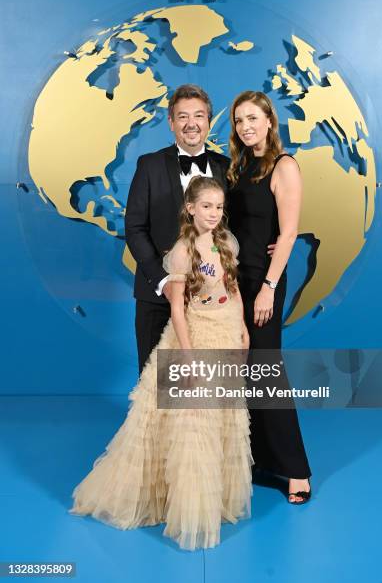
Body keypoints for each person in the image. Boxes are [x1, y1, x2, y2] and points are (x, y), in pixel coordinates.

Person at [69, 176, 253, 550]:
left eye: (219, 207)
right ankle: (188, 505)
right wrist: (186, 355)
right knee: (191, 419)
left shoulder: (227, 242)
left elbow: (233, 289)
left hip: (226, 328)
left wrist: (244, 327)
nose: (214, 214)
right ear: (190, 209)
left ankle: (212, 498)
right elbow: (177, 310)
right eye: (206, 207)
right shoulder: (183, 252)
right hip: (195, 334)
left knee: (219, 413)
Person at [227, 90, 312, 504]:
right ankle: (259, 460)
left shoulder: (285, 165)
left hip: (264, 282)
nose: (246, 126)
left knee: (265, 370)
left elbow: (290, 232)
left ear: (269, 122)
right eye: (240, 120)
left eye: (253, 119)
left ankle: (296, 472)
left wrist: (268, 288)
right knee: (241, 374)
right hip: (234, 281)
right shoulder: (239, 166)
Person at [124, 84, 229, 374]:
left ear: (208, 121)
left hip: (212, 300)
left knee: (204, 386)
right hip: (157, 296)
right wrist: (163, 283)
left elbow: (237, 226)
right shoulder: (150, 165)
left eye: (199, 116)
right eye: (183, 117)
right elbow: (134, 228)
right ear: (171, 123)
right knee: (156, 384)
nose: (191, 124)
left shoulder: (227, 168)